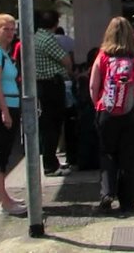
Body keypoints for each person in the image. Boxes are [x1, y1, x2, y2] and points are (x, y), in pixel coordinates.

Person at [89, 17, 134, 212]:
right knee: (130, 158)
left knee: (108, 154)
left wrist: (100, 106)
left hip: (106, 113)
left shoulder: (102, 56)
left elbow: (93, 86)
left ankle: (107, 194)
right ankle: (128, 202)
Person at [0, 13, 27, 216]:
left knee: (4, 153)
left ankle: (4, 198)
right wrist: (4, 112)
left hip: (9, 105)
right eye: (6, 29)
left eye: (13, 29)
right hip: (3, 107)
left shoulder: (3, 52)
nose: (10, 33)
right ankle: (3, 202)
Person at [34, 10, 73, 176]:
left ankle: (52, 162)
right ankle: (50, 165)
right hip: (51, 85)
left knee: (49, 124)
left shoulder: (36, 37)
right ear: (55, 24)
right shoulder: (47, 39)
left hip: (43, 86)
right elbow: (66, 60)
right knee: (53, 125)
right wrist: (69, 72)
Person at [54, 26, 78, 170]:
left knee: (57, 120)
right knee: (69, 119)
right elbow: (70, 59)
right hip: (66, 82)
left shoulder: (51, 41)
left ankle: (59, 147)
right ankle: (69, 152)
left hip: (56, 85)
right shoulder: (69, 41)